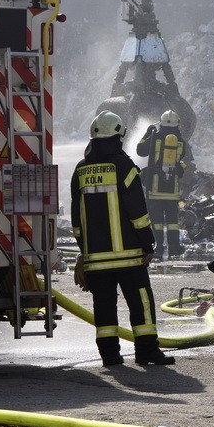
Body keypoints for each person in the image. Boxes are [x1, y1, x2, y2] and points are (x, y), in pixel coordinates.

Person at [70, 111, 174, 366]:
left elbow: (76, 218)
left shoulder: (80, 170)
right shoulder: (125, 167)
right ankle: (147, 351)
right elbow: (137, 211)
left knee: (104, 308)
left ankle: (110, 356)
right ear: (118, 136)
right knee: (141, 303)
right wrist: (147, 243)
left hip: (97, 259)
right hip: (129, 256)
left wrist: (84, 251)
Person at [136, 110, 192, 260]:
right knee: (173, 221)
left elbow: (140, 150)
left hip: (154, 189)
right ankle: (174, 247)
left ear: (161, 123)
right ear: (177, 125)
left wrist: (148, 133)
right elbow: (182, 165)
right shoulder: (181, 142)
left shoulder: (155, 138)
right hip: (172, 190)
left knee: (157, 220)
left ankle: (159, 247)